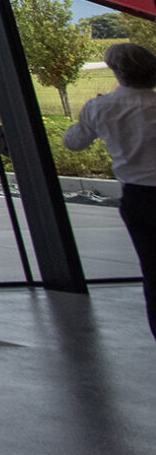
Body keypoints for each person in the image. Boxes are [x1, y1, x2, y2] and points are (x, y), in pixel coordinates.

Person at [64, 40, 156, 339]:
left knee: (152, 269)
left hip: (140, 198)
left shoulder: (101, 108)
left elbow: (73, 142)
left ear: (117, 71)